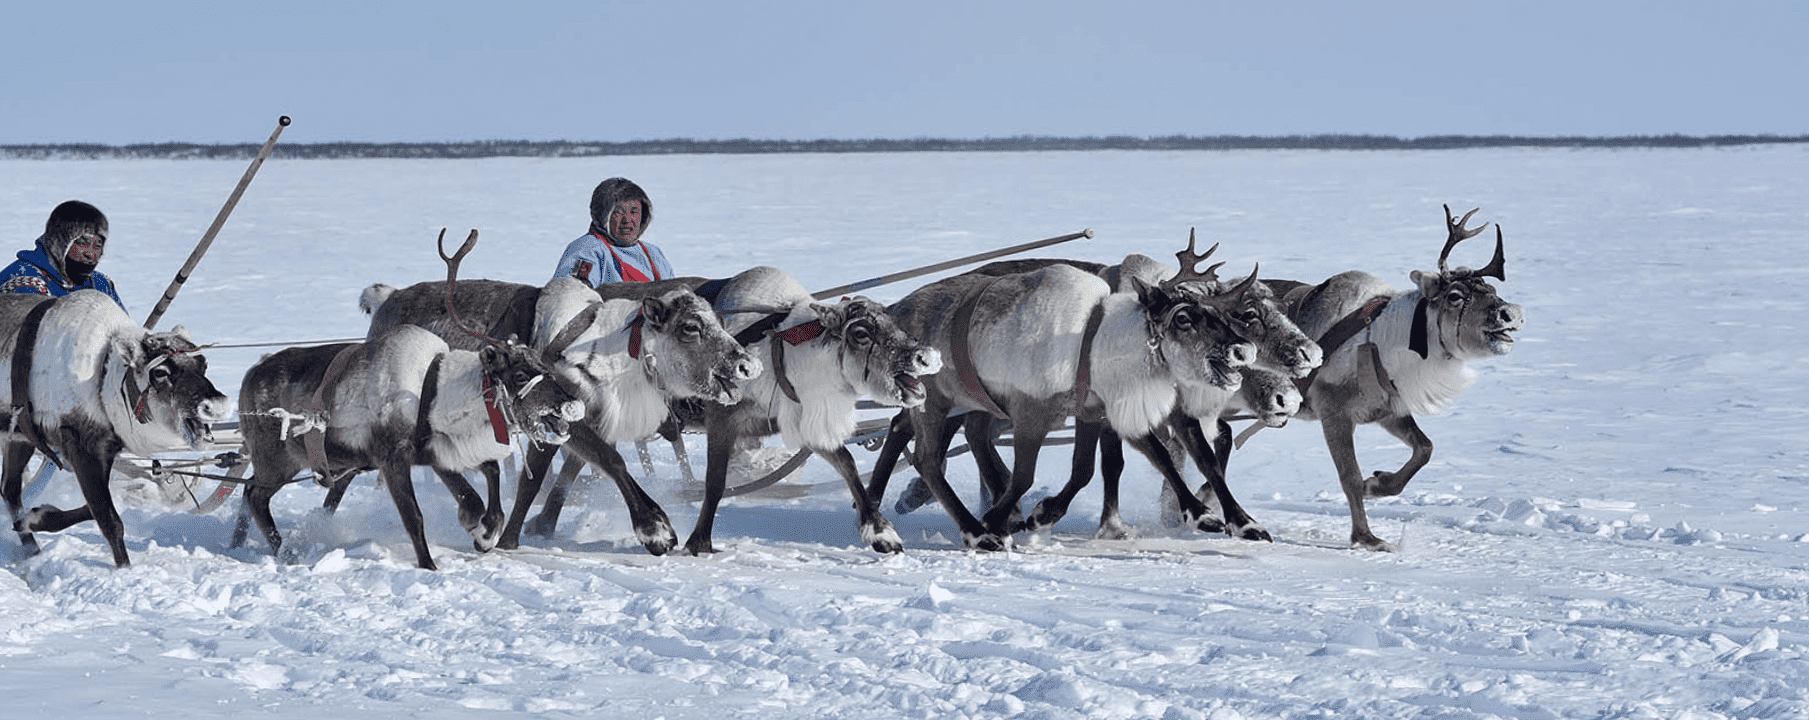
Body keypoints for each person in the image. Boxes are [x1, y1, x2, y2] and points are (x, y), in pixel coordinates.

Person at [1, 200, 125, 309]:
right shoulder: (25, 282)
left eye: (97, 246)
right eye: (82, 243)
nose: (90, 254)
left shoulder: (100, 285)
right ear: (60, 243)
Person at [552, 177, 674, 286]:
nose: (627, 220)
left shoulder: (654, 253)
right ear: (602, 216)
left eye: (634, 211)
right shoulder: (587, 250)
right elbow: (570, 294)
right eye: (618, 212)